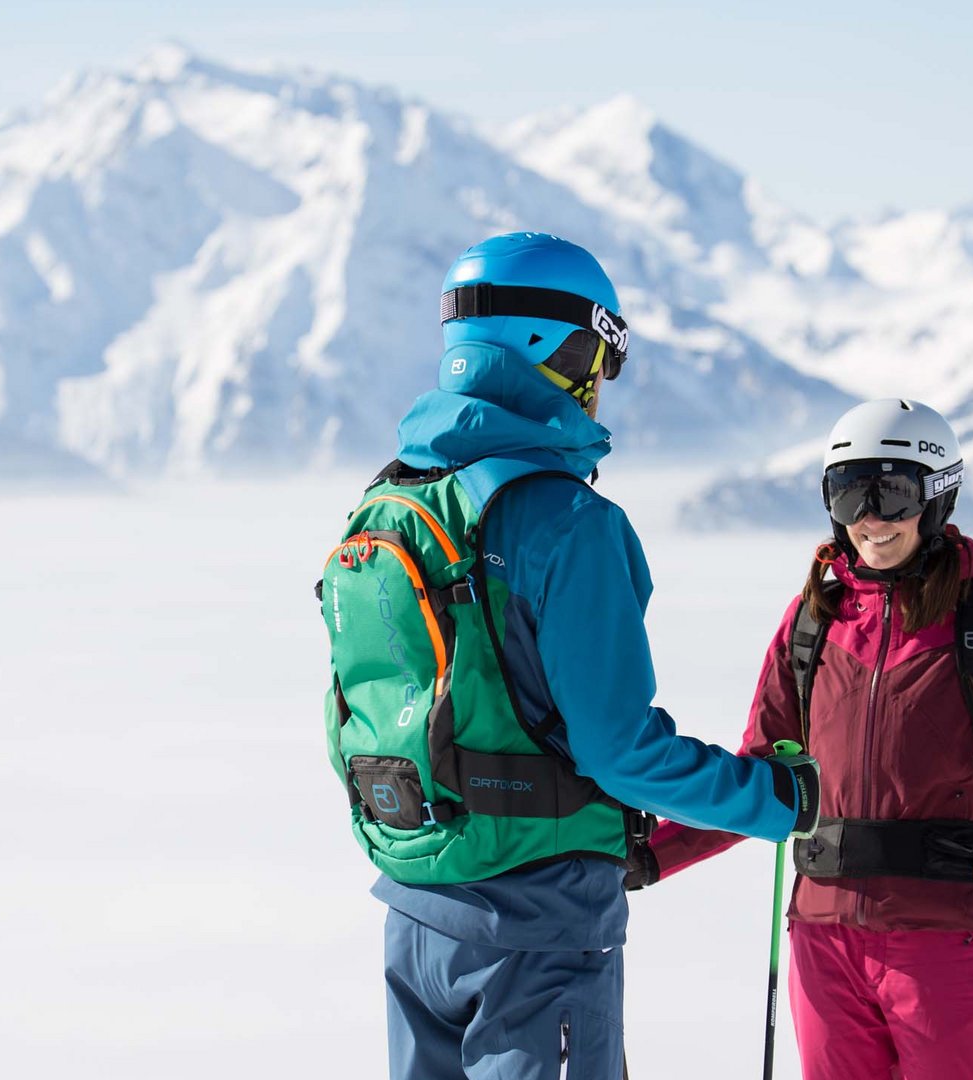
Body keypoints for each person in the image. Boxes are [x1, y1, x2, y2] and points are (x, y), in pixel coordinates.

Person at [319, 232, 820, 1080]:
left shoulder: (390, 501)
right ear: (559, 345)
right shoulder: (566, 523)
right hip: (536, 923)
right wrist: (773, 799)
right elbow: (620, 750)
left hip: (416, 910)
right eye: (604, 352)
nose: (602, 381)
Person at [640, 399, 973, 1080]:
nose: (870, 518)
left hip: (947, 938)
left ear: (936, 498)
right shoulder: (813, 623)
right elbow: (761, 781)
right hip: (823, 942)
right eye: (849, 493)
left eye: (891, 493)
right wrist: (648, 857)